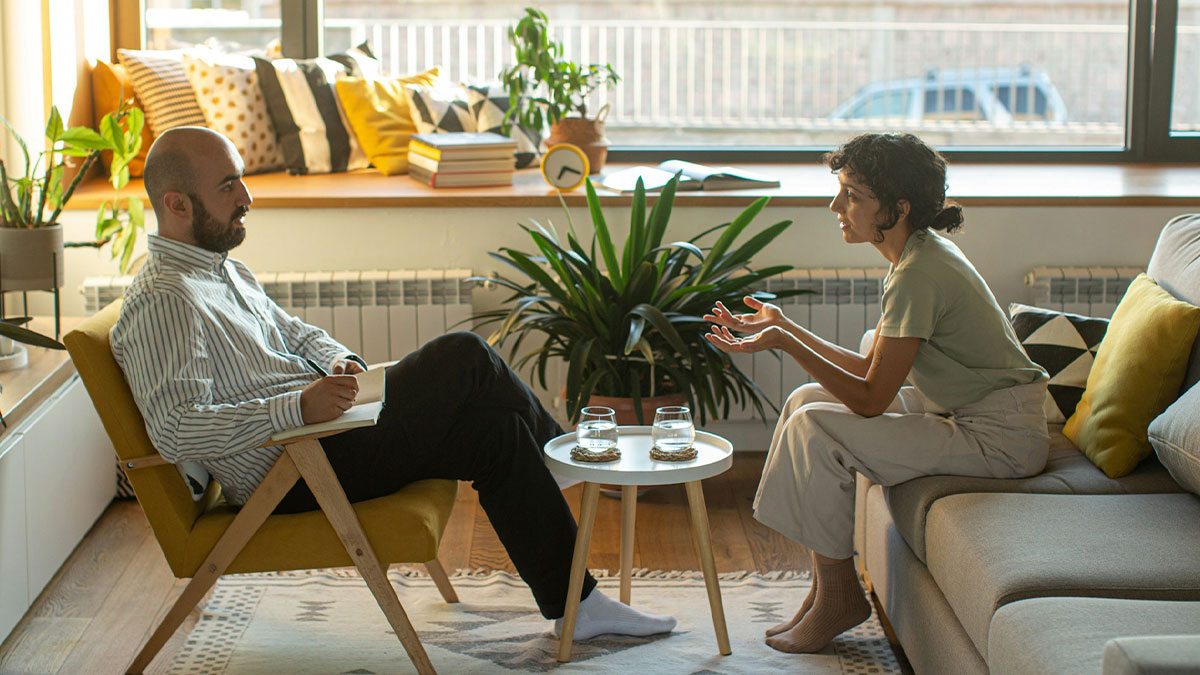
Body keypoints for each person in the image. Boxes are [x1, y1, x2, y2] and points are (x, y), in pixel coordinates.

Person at [111, 127, 676, 642]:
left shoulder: (221, 269)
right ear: (177, 203)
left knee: (498, 432)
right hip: (295, 470)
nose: (247, 198)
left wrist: (342, 362)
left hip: (328, 434)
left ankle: (578, 607)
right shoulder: (165, 299)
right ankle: (562, 460)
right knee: (463, 354)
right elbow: (176, 430)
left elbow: (298, 334)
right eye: (229, 184)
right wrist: (297, 408)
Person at [703, 133, 1049, 654]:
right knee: (804, 402)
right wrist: (786, 328)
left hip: (999, 438)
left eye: (852, 195)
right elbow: (872, 369)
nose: (835, 206)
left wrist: (785, 343)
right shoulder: (918, 256)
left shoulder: (919, 272)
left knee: (815, 427)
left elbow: (870, 399)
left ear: (898, 206)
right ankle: (826, 590)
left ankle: (840, 595)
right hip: (966, 412)